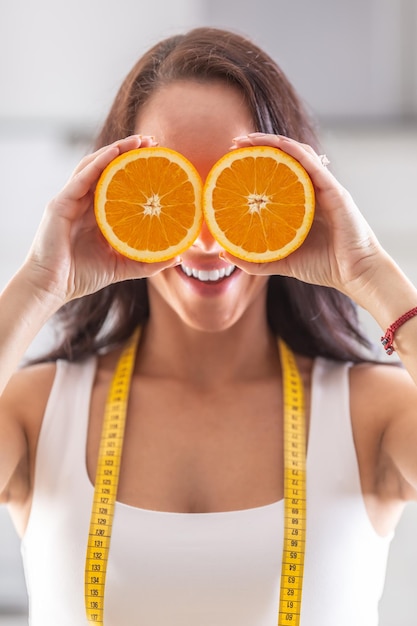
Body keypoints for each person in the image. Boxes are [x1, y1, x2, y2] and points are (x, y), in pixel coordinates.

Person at [1, 26, 417, 626]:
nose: (203, 241)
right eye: (171, 190)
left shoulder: (373, 414)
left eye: (234, 189)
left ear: (291, 190)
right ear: (113, 195)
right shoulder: (35, 413)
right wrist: (38, 283)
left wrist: (372, 273)